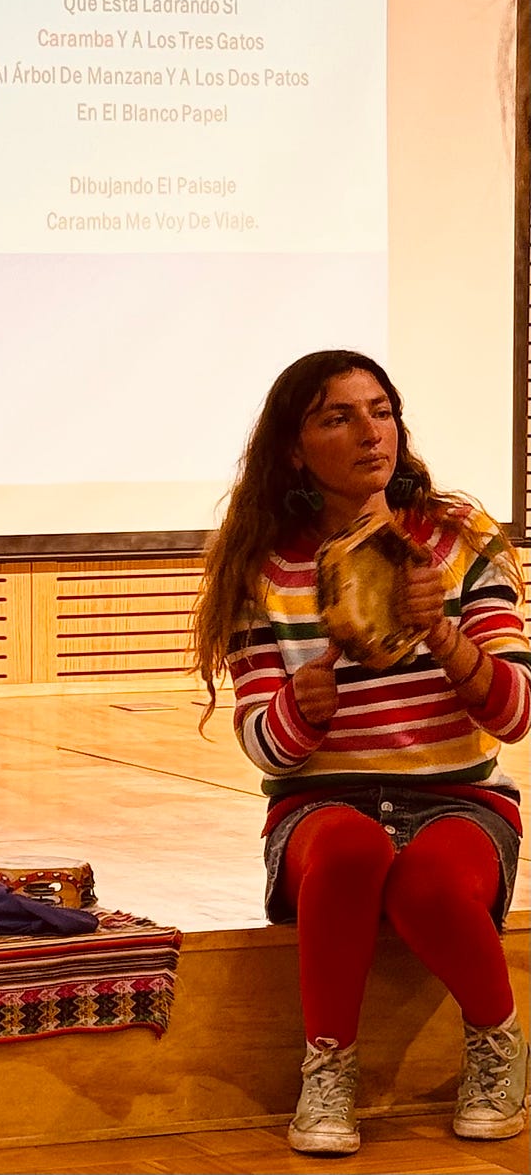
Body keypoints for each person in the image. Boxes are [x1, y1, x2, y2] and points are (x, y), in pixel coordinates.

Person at [194, 350, 530, 1155]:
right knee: (349, 846)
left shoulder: (457, 539)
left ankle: (499, 1042)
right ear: (293, 447)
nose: (368, 431)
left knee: (425, 876)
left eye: (379, 410)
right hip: (318, 808)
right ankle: (329, 1067)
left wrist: (446, 637)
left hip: (458, 800)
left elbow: (517, 713)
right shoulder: (260, 566)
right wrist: (302, 707)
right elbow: (261, 741)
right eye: (336, 416)